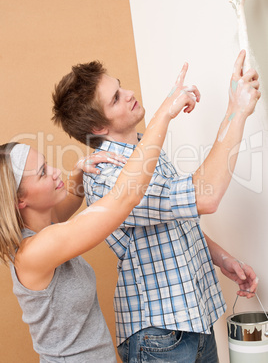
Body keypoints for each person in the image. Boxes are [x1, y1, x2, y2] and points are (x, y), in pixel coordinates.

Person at [52, 50, 260, 362]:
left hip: (192, 320)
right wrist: (236, 112)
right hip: (159, 338)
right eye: (117, 98)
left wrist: (222, 258)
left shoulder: (142, 148)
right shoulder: (108, 176)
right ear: (97, 128)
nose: (130, 94)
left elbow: (174, 218)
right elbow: (205, 197)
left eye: (121, 87)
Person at [0, 64, 196, 363]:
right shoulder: (36, 250)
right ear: (19, 202)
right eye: (42, 173)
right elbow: (123, 198)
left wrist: (77, 174)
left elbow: (66, 210)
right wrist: (164, 115)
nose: (55, 172)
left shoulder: (44, 227)